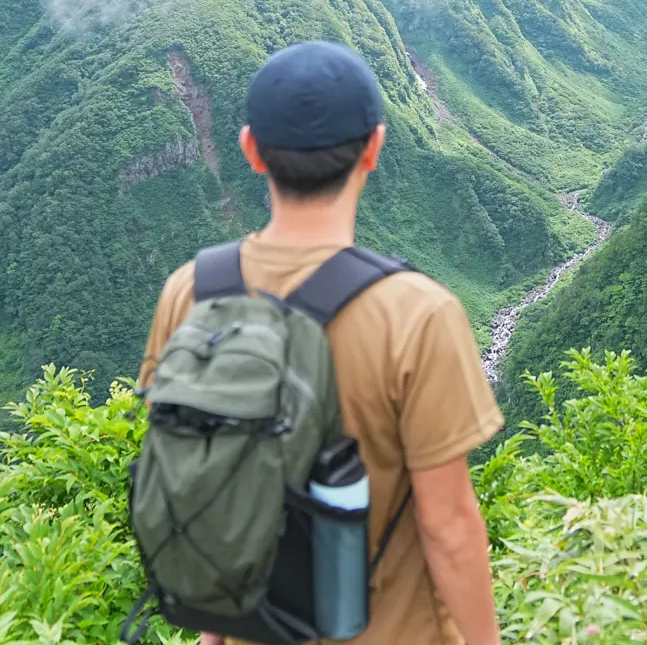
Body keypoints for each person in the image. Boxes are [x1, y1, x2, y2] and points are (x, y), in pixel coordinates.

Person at [138, 41, 503, 645]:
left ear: (251, 151)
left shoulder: (190, 292)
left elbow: (197, 472)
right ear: (375, 149)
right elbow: (448, 526)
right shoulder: (417, 313)